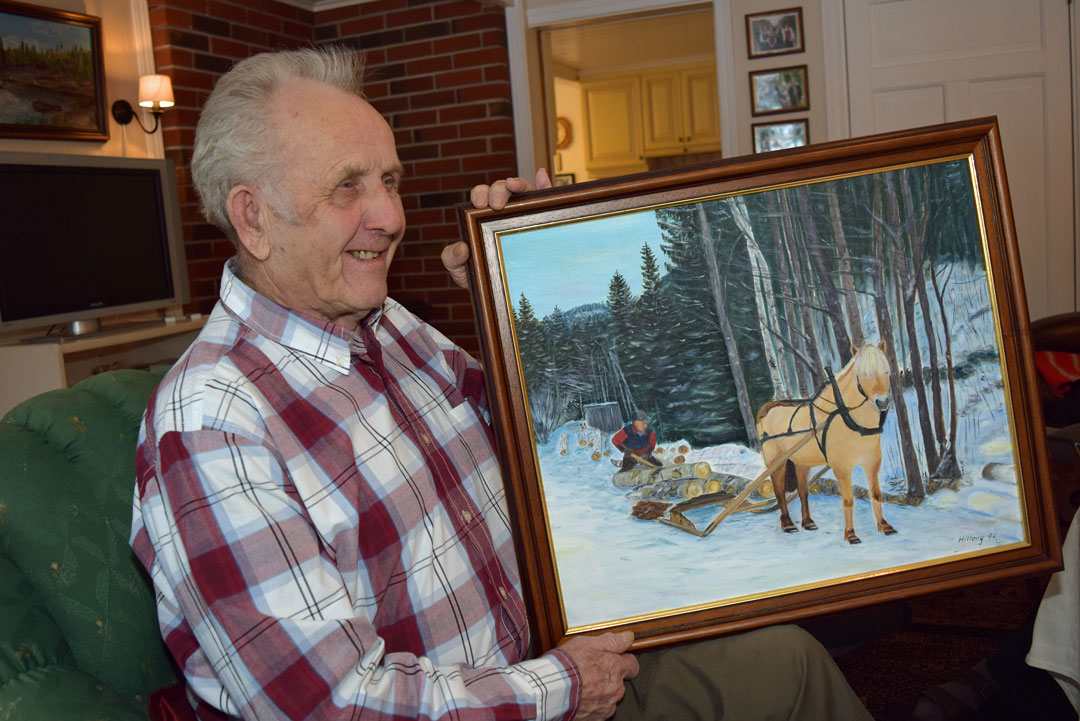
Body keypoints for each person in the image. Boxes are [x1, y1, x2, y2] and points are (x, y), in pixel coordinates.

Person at [130, 46, 873, 721]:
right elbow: (335, 705)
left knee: (788, 661)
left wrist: (512, 282)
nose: (390, 216)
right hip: (522, 699)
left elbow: (534, 439)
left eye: (389, 180)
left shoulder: (389, 326)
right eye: (346, 187)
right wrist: (564, 686)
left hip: (548, 661)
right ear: (253, 218)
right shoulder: (212, 423)